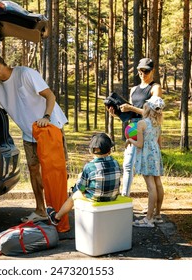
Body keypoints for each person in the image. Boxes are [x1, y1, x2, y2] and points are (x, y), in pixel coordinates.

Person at [0, 52, 68, 224]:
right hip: (29, 134)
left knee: (55, 173)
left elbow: (50, 96)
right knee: (34, 171)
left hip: (50, 128)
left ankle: (60, 213)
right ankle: (41, 209)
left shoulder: (25, 74)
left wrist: (46, 117)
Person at [108, 58, 163, 197]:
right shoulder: (134, 90)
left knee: (150, 173)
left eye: (146, 71)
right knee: (127, 165)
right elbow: (130, 113)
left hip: (147, 128)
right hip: (133, 127)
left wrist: (131, 107)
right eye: (140, 70)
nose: (143, 74)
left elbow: (154, 112)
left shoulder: (155, 88)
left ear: (152, 71)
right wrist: (117, 114)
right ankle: (124, 197)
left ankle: (154, 210)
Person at [46, 133, 121, 225]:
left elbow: (81, 188)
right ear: (109, 151)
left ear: (91, 151)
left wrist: (78, 181)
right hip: (113, 197)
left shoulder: (89, 167)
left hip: (96, 199)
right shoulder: (116, 163)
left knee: (74, 195)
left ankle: (56, 217)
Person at [126, 96, 165, 228]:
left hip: (146, 156)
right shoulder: (158, 124)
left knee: (151, 187)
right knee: (158, 183)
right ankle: (158, 215)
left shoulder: (141, 124)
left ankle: (148, 219)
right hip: (155, 155)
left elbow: (140, 144)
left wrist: (129, 140)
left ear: (148, 108)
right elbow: (159, 144)